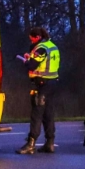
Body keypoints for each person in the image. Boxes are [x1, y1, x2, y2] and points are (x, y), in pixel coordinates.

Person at [17, 26, 60, 155]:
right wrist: (30, 57)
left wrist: (25, 61)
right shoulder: (52, 46)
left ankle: (31, 144)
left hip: (42, 84)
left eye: (32, 39)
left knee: (37, 113)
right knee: (48, 113)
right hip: (53, 83)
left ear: (38, 37)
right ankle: (50, 143)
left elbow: (32, 65)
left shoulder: (41, 48)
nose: (31, 41)